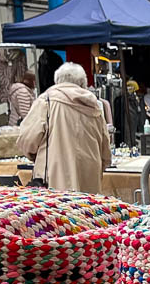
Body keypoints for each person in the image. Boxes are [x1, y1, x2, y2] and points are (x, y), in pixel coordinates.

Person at [15, 62, 112, 194]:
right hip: (89, 179)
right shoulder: (95, 106)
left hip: (54, 178)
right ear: (83, 83)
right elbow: (105, 148)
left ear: (57, 81)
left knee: (58, 213)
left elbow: (27, 139)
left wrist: (34, 156)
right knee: (87, 212)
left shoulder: (46, 102)